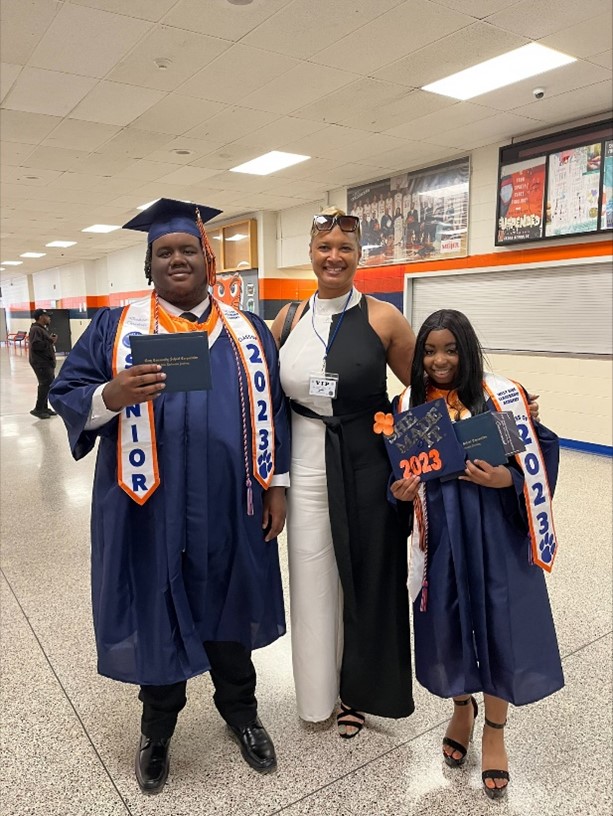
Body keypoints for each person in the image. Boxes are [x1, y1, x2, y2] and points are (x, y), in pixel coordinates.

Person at [49, 199, 290, 794]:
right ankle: (157, 730)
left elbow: (275, 412)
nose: (176, 259)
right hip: (149, 504)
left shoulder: (247, 332)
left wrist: (276, 486)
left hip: (232, 503)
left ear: (207, 260)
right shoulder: (116, 327)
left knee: (229, 607)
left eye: (187, 249)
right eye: (164, 252)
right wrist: (111, 392)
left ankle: (242, 714)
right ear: (149, 263)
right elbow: (68, 390)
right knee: (159, 609)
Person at [390, 309, 563, 800]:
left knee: (499, 627)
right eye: (429, 350)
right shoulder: (408, 406)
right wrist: (398, 492)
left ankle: (495, 732)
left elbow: (537, 458)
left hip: (496, 537)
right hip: (442, 537)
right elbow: (397, 472)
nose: (440, 360)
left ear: (468, 351)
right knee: (448, 626)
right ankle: (461, 707)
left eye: (451, 349)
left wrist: (505, 478)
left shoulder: (498, 398)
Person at [270, 207, 417, 738]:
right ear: (310, 254)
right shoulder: (285, 321)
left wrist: (500, 405)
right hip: (305, 461)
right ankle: (317, 697)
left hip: (365, 460)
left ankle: (361, 693)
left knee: (369, 576)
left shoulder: (384, 319)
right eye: (324, 246)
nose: (334, 256)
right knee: (311, 578)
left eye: (345, 249)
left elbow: (428, 387)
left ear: (360, 257)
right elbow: (255, 392)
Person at [28, 308, 58, 419]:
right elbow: (36, 346)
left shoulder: (41, 329)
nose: (49, 318)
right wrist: (50, 341)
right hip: (41, 362)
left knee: (48, 385)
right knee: (45, 385)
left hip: (45, 362)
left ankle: (44, 408)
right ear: (41, 317)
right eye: (47, 316)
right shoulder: (36, 329)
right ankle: (38, 409)